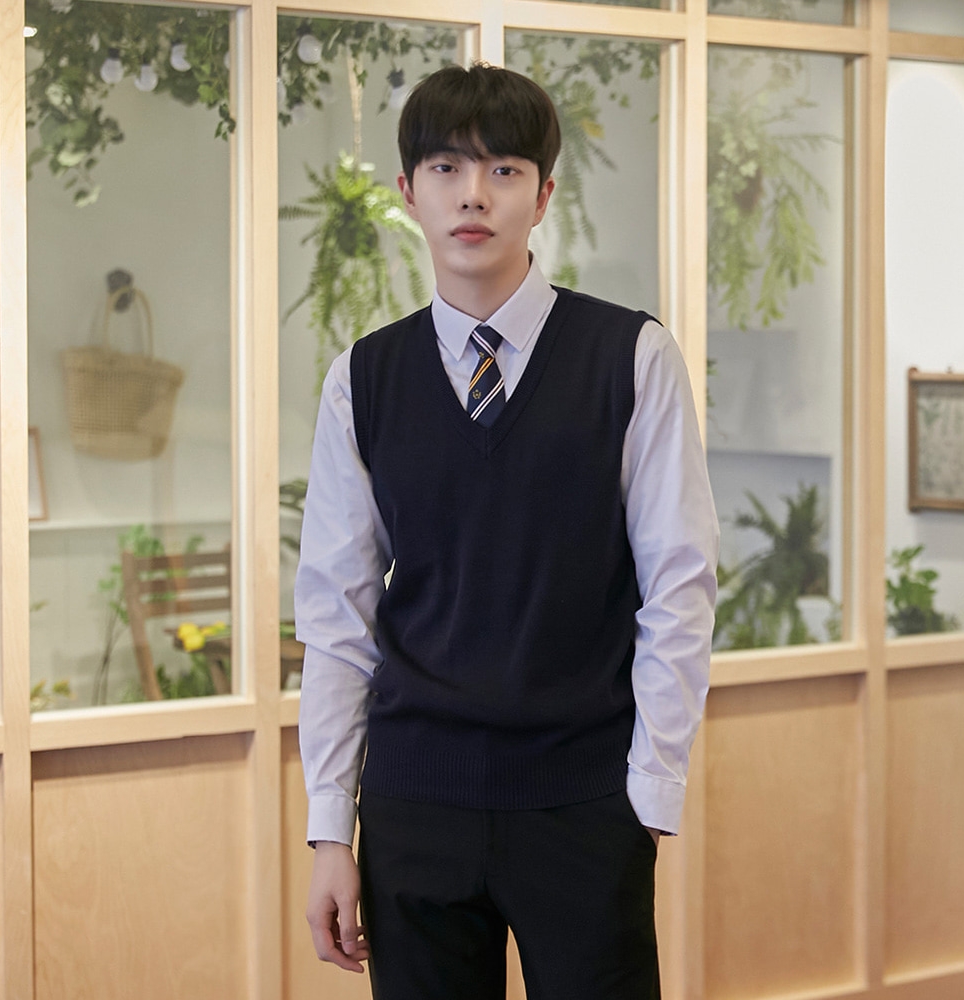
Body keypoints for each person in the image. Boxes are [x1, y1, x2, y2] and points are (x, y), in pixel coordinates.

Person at [296, 62, 719, 1000]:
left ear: (544, 194)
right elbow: (336, 615)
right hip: (413, 804)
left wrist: (648, 792)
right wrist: (331, 831)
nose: (473, 195)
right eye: (446, 168)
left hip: (582, 800)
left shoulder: (631, 357)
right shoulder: (363, 379)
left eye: (504, 170)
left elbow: (680, 583)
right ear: (408, 192)